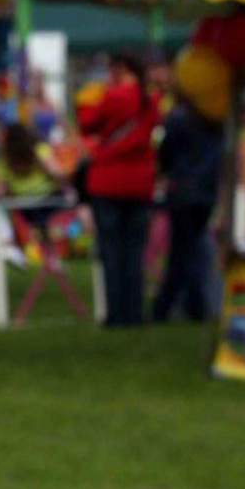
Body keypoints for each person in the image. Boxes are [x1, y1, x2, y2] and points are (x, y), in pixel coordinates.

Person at [78, 53, 158, 327]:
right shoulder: (151, 100)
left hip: (109, 179)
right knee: (135, 252)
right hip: (140, 183)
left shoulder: (113, 96)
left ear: (120, 69)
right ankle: (135, 312)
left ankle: (116, 314)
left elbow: (87, 125)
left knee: (111, 251)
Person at [153, 99, 221, 322]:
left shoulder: (178, 118)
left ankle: (168, 307)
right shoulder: (216, 115)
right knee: (195, 248)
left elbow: (165, 152)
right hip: (206, 191)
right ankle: (195, 304)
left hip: (182, 189)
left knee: (181, 251)